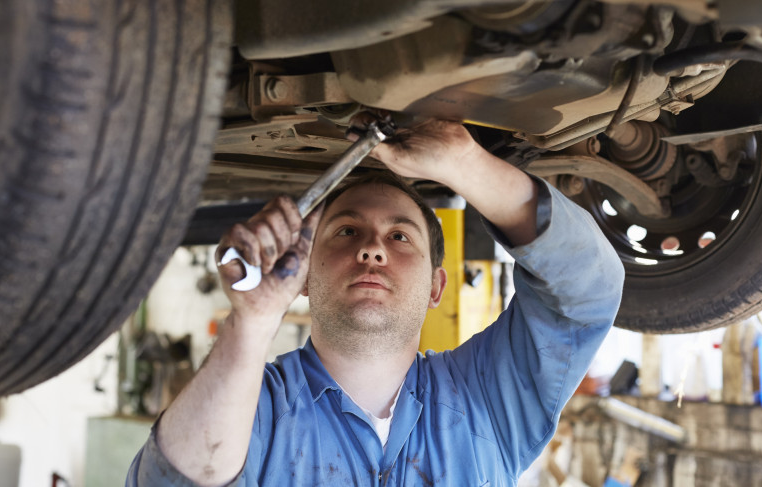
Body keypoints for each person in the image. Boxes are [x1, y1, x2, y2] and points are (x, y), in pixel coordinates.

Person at [127, 119, 624, 486]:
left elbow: (588, 289)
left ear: (436, 288)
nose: (372, 248)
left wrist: (465, 162)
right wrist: (252, 320)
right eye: (346, 231)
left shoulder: (487, 400)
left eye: (400, 237)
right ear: (302, 276)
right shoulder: (254, 408)